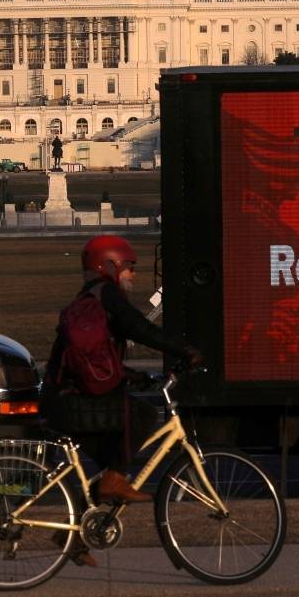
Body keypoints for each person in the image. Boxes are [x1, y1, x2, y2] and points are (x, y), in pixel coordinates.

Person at [44, 235, 200, 564]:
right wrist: (182, 350)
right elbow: (139, 328)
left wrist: (136, 376)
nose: (133, 275)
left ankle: (71, 535)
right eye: (129, 267)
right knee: (142, 415)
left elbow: (97, 358)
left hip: (60, 398)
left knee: (109, 468)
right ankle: (115, 481)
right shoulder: (107, 294)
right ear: (110, 265)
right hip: (70, 400)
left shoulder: (90, 296)